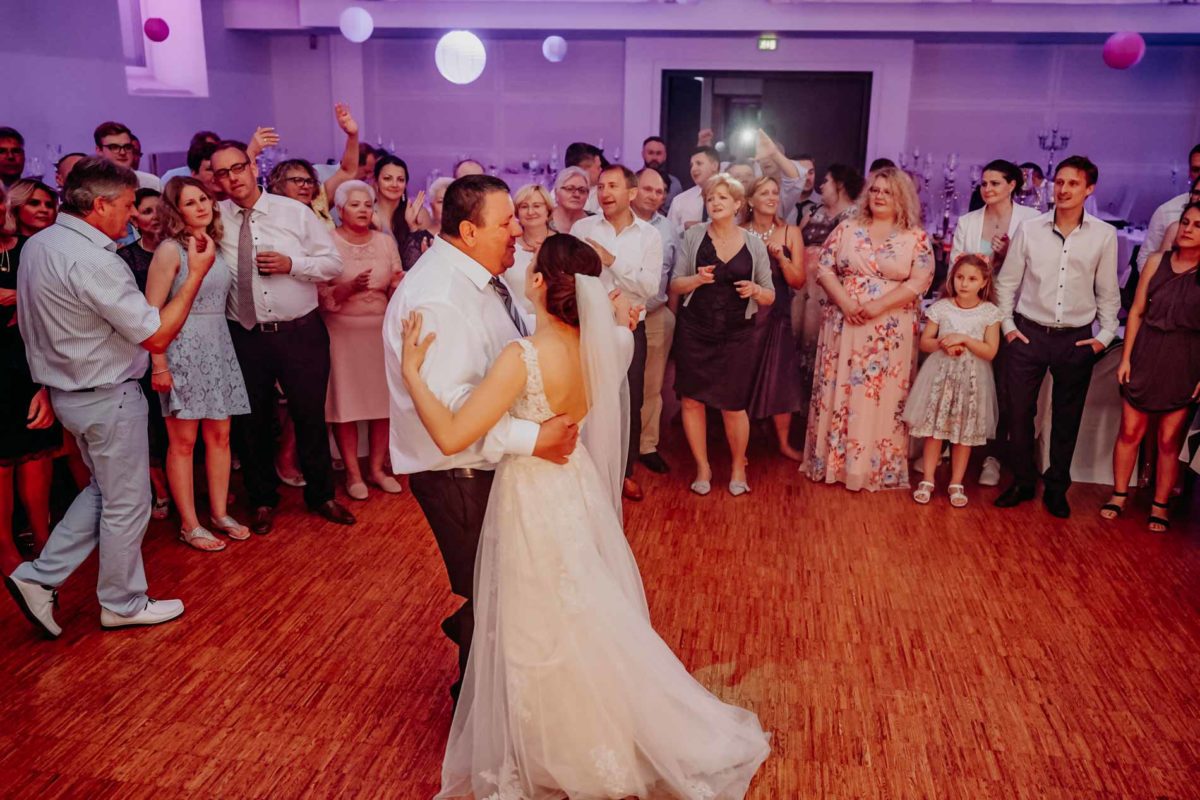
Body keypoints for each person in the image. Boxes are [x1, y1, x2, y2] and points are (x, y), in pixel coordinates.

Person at [397, 233, 770, 799]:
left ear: (542, 283)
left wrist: (411, 377)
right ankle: (591, 730)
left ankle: (554, 744)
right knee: (579, 608)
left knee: (534, 617)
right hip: (571, 488)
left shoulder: (522, 357)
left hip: (529, 497)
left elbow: (450, 435)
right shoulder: (602, 347)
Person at [383, 174, 581, 704]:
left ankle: (482, 676)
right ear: (469, 231)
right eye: (506, 222)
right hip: (459, 473)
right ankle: (475, 710)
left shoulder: (481, 275)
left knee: (505, 589)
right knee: (495, 594)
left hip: (489, 464)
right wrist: (535, 439)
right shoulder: (440, 300)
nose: (518, 229)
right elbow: (452, 418)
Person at [6, 157, 213, 637]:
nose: (131, 214)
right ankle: (121, 602)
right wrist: (195, 273)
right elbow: (155, 335)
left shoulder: (41, 244)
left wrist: (47, 381)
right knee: (127, 503)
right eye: (124, 205)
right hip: (105, 395)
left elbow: (41, 323)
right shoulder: (95, 260)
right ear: (99, 205)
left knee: (105, 492)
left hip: (71, 392)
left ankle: (38, 578)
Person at [209, 140, 355, 534]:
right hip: (244, 334)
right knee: (252, 421)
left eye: (237, 167)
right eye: (222, 173)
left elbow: (333, 264)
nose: (232, 178)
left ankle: (322, 495)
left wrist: (294, 264)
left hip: (300, 332)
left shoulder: (294, 212)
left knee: (309, 415)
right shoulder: (215, 217)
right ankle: (261, 500)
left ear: (252, 167)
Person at [994, 156, 1119, 519]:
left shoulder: (1104, 235)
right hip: (1027, 333)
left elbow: (1108, 291)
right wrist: (1009, 328)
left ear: (1089, 189)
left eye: (1073, 184)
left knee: (1066, 417)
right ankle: (1021, 481)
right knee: (1018, 413)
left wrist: (1104, 336)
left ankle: (1056, 488)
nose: (1063, 190)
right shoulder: (1030, 230)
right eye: (1059, 182)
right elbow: (1007, 283)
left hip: (1075, 339)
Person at [803, 167, 934, 492]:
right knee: (842, 390)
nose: (878, 196)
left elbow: (921, 280)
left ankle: (873, 468)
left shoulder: (914, 237)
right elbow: (824, 266)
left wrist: (878, 305)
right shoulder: (848, 228)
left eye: (887, 192)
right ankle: (833, 463)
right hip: (844, 323)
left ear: (901, 197)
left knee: (882, 397)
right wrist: (846, 302)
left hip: (889, 329)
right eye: (874, 190)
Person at [145, 178, 252, 551]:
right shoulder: (170, 251)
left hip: (218, 345)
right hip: (180, 348)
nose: (202, 206)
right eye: (191, 203)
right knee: (183, 442)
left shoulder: (217, 248)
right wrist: (159, 364)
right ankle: (189, 524)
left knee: (221, 437)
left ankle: (220, 513)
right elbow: (152, 315)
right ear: (176, 211)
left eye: (204, 199)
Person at [671, 174, 776, 496]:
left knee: (733, 404)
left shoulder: (754, 243)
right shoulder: (693, 236)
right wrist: (696, 281)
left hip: (736, 332)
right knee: (691, 400)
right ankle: (702, 466)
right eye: (710, 198)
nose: (714, 203)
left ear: (737, 204)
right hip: (695, 328)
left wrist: (756, 290)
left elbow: (770, 295)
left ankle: (737, 466)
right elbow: (676, 284)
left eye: (721, 198)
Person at [1102, 203, 1200, 532]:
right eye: (1185, 221)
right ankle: (1118, 495)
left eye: (1197, 225)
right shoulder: (1157, 262)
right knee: (1130, 431)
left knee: (1169, 440)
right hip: (1146, 349)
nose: (1187, 228)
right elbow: (1137, 312)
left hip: (1185, 357)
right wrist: (1126, 357)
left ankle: (1160, 505)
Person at [571, 165, 663, 501]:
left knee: (630, 399)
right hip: (585, 325)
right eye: (600, 186)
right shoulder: (583, 228)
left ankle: (624, 471)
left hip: (629, 325)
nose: (604, 193)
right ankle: (584, 470)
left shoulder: (649, 236)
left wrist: (610, 260)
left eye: (612, 186)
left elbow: (650, 286)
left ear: (632, 193)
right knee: (586, 398)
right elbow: (572, 276)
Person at [947, 159, 1041, 487]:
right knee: (961, 381)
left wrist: (1010, 256)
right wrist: (988, 263)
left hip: (1013, 313)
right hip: (972, 310)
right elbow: (955, 265)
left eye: (995, 183)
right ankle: (948, 446)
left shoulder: (1031, 221)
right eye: (984, 183)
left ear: (1013, 185)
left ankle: (994, 456)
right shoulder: (969, 221)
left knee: (1003, 388)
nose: (987, 189)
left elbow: (1041, 266)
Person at [321, 180, 404, 500]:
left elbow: (395, 283)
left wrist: (399, 285)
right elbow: (320, 293)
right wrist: (349, 288)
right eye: (354, 204)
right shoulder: (328, 242)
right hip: (342, 332)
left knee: (381, 405)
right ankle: (353, 473)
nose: (362, 210)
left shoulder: (385, 243)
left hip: (378, 332)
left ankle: (378, 469)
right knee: (348, 405)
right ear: (339, 209)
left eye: (367, 204)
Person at [904, 254, 1003, 508]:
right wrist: (943, 344)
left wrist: (966, 340)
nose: (964, 283)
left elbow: (991, 351)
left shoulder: (989, 313)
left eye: (972, 279)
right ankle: (927, 479)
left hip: (971, 380)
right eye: (960, 277)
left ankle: (956, 482)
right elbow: (925, 342)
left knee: (963, 433)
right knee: (934, 431)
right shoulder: (942, 307)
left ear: (983, 282)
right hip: (941, 377)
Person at [0, 183, 58, 576]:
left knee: (36, 455)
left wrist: (19, 298)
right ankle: (5, 549)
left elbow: (48, 303)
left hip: (28, 363)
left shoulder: (28, 248)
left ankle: (44, 540)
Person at [742, 176, 806, 460]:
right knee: (741, 379)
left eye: (775, 192)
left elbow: (799, 281)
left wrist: (782, 259)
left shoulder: (790, 232)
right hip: (744, 316)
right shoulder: (739, 231)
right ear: (750, 200)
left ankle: (783, 442)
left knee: (781, 378)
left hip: (778, 315)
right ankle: (739, 444)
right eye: (764, 192)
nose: (771, 197)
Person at [117, 188, 171, 519]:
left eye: (161, 210)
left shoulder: (180, 251)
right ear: (133, 216)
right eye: (148, 211)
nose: (156, 217)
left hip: (182, 343)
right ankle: (161, 492)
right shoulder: (125, 258)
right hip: (144, 347)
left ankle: (189, 489)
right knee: (152, 423)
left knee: (179, 423)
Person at [796, 164, 863, 414]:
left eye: (826, 180)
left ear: (840, 185)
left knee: (818, 344)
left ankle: (814, 407)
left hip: (828, 288)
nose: (821, 185)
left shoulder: (855, 217)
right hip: (803, 284)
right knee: (797, 340)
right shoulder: (814, 211)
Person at [631, 167, 681, 475]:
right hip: (617, 318)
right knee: (618, 384)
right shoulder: (614, 223)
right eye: (648, 189)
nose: (654, 195)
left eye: (659, 191)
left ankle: (646, 446)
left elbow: (674, 275)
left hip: (656, 316)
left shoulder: (669, 229)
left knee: (652, 386)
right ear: (633, 190)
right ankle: (616, 445)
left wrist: (671, 314)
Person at [504, 182, 555, 313]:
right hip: (517, 325)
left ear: (548, 210)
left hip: (558, 324)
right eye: (524, 207)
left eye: (537, 206)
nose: (530, 212)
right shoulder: (507, 246)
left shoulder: (563, 244)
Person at [373, 154, 427, 252]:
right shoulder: (368, 214)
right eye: (387, 178)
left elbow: (425, 260)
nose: (394, 184)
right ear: (376, 182)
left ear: (406, 185)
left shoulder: (418, 213)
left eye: (400, 180)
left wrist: (412, 226)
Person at [93, 121, 161, 191]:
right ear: (99, 151)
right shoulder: (90, 184)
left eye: (127, 147)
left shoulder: (152, 183)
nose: (122, 152)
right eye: (114, 147)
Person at [402, 176, 451, 271]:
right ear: (431, 205)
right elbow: (411, 274)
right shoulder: (420, 238)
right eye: (440, 201)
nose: (446, 206)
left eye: (451, 201)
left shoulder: (466, 237)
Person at [667, 146, 721, 230]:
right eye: (691, 165)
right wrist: (684, 228)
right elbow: (668, 236)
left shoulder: (731, 196)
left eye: (699, 163)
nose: (693, 169)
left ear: (714, 166)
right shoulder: (680, 200)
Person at [1156, 175, 1200, 254]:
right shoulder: (1176, 228)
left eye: (1198, 225)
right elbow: (1159, 262)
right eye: (1196, 193)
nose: (1199, 199)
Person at [641, 135, 682, 207]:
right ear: (643, 154)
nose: (654, 158)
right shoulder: (633, 181)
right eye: (650, 153)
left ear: (665, 156)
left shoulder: (675, 184)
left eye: (658, 153)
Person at [565, 141, 604, 213]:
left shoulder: (603, 192)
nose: (601, 170)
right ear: (583, 171)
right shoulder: (557, 198)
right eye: (598, 167)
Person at [549, 166, 590, 233]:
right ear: (556, 193)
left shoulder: (596, 222)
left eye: (582, 190)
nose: (576, 195)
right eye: (570, 189)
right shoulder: (542, 220)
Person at [787, 153, 818, 225]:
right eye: (802, 173)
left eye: (811, 172)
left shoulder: (822, 204)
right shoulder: (781, 203)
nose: (807, 178)